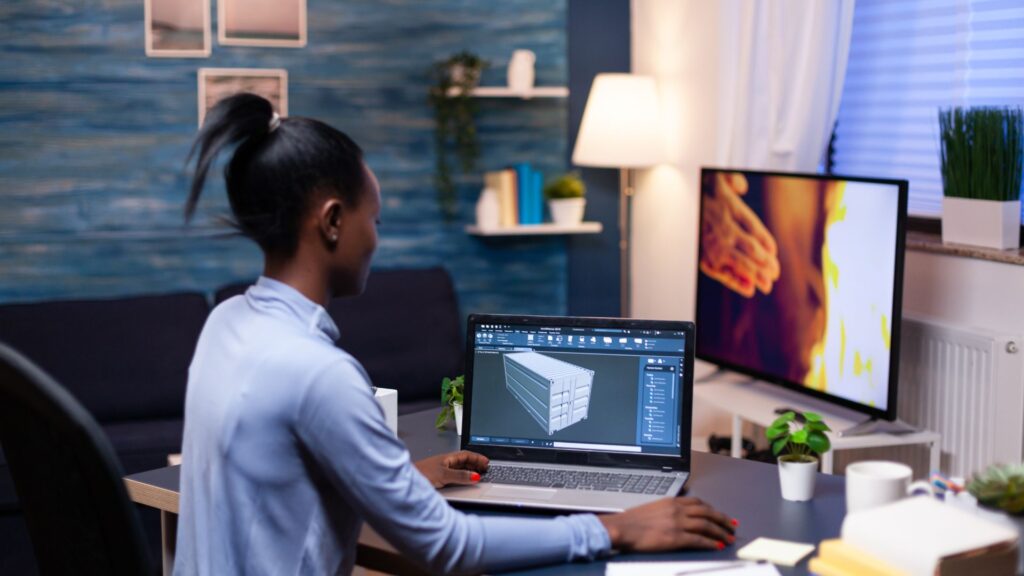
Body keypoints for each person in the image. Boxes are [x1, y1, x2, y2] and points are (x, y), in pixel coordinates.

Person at [174, 93, 737, 575]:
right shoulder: (318, 373)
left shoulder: (226, 324)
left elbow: (281, 481)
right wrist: (614, 529)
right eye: (376, 219)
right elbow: (447, 546)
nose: (376, 238)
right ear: (332, 221)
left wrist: (401, 479)